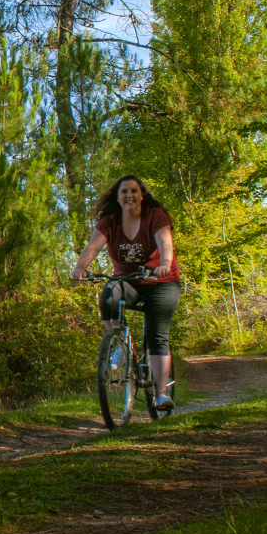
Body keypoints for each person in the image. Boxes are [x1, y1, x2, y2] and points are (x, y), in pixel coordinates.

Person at [71, 175, 183, 409]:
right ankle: (123, 346)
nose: (129, 195)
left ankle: (161, 394)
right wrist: (80, 267)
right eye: (124, 192)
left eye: (134, 191)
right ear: (117, 197)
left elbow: (165, 243)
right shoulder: (109, 222)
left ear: (141, 195)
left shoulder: (154, 216)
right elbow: (93, 247)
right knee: (109, 298)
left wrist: (165, 263)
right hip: (129, 280)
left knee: (156, 336)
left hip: (161, 281)